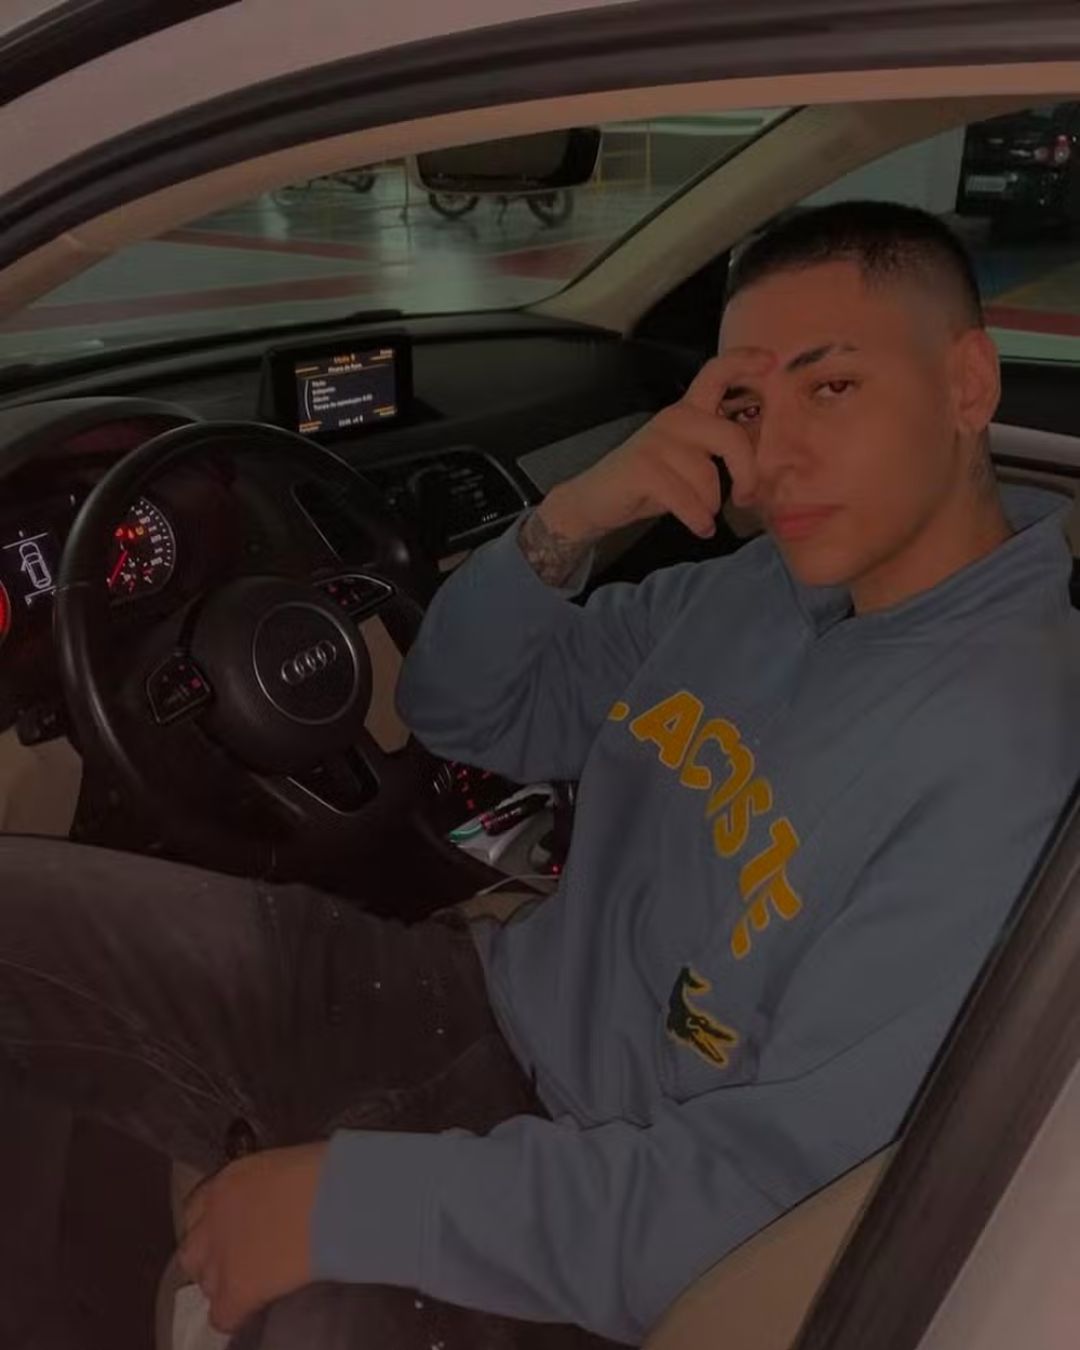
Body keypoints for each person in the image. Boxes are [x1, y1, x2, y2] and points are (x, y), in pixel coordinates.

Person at [2, 199, 1078, 1350]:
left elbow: (769, 1194)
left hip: (606, 1195)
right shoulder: (755, 588)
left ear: (967, 385)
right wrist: (575, 515)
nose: (775, 456)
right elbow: (464, 709)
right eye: (748, 406)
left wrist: (358, 1206)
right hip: (460, 1000)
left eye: (833, 387)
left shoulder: (1012, 759)